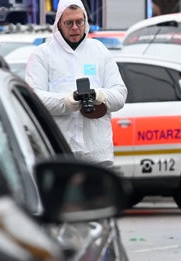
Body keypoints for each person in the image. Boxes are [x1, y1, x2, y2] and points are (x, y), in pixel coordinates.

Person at [25, 0, 128, 168]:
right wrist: (65, 102)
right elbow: (34, 99)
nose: (75, 27)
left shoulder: (99, 51)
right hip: (59, 152)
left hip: (97, 154)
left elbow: (120, 94)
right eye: (69, 23)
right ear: (58, 23)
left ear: (85, 21)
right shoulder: (42, 55)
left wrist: (99, 95)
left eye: (79, 22)